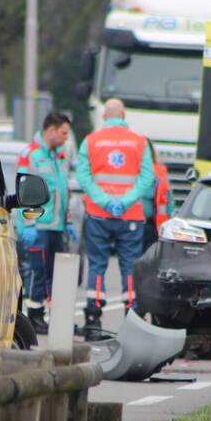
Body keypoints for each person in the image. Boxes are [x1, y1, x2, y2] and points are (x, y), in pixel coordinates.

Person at [76, 98, 154, 341]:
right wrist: (126, 201)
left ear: (104, 116)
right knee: (130, 265)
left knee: (97, 264)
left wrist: (104, 201)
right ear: (124, 114)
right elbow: (147, 178)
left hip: (99, 214)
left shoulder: (91, 141)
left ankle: (94, 319)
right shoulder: (139, 142)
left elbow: (83, 176)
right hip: (129, 216)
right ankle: (132, 318)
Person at [17, 111, 77, 334]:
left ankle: (52, 316)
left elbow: (64, 191)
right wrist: (28, 223)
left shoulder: (60, 156)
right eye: (63, 133)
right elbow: (24, 189)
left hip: (56, 227)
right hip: (39, 226)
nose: (66, 138)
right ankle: (34, 316)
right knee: (37, 272)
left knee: (55, 274)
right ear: (51, 130)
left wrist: (68, 220)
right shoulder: (31, 155)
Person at [140, 141, 174, 254]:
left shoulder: (159, 174)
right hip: (130, 227)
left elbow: (169, 203)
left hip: (152, 228)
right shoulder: (128, 172)